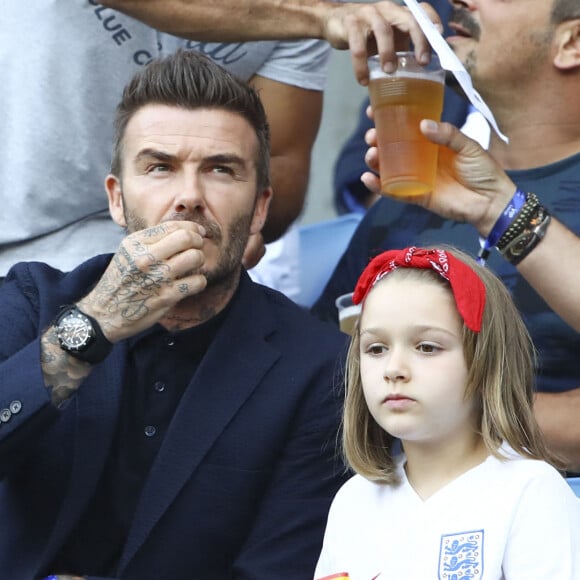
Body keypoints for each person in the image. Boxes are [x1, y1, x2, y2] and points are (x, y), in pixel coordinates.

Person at [0, 50, 349, 580]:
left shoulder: (321, 370)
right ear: (117, 199)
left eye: (221, 170)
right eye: (160, 167)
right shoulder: (32, 300)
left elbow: (280, 568)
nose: (189, 197)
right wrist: (94, 326)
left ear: (259, 209)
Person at [312, 0, 580, 471]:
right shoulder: (413, 193)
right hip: (400, 515)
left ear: (572, 42)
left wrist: (441, 409)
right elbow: (316, 370)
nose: (460, 1)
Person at [0, 0, 440, 282]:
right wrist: (321, 18)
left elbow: (279, 161)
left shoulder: (306, 12)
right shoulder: (310, 12)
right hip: (16, 246)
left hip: (172, 272)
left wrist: (240, 229)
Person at [314, 246, 580, 579]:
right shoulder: (351, 502)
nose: (393, 368)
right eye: (376, 348)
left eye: (427, 347)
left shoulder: (532, 492)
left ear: (486, 365)